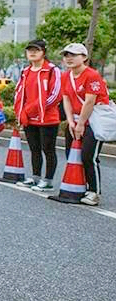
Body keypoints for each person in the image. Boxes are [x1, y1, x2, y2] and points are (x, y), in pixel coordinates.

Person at [60, 42, 109, 206]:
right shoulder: (65, 76)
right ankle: (78, 185)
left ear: (84, 57)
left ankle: (94, 191)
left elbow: (90, 102)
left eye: (73, 55)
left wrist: (80, 124)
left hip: (93, 121)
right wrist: (70, 121)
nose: (69, 58)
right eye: (66, 55)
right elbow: (65, 99)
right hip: (74, 120)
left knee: (89, 156)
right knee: (71, 154)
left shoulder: (92, 75)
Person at [14, 39, 62, 191]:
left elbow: (55, 95)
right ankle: (35, 177)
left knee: (48, 149)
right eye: (30, 50)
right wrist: (21, 113)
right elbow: (20, 94)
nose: (32, 52)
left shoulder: (52, 70)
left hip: (47, 118)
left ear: (44, 52)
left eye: (36, 50)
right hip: (29, 119)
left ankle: (47, 180)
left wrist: (31, 110)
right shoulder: (25, 72)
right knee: (34, 149)